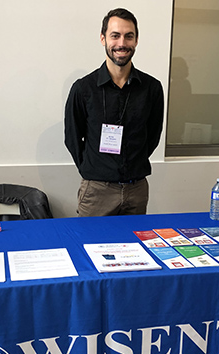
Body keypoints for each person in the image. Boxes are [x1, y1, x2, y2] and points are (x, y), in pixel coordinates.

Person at [64, 8, 164, 217]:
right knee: (90, 238)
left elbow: (153, 136)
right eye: (115, 35)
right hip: (96, 191)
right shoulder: (83, 88)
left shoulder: (152, 88)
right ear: (103, 38)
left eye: (129, 36)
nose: (122, 43)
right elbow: (72, 137)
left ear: (136, 40)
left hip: (137, 190)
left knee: (135, 240)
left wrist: (135, 162)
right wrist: (93, 170)